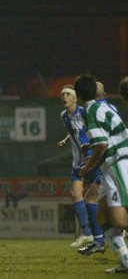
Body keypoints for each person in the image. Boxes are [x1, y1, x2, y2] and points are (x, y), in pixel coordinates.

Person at [75, 74, 128, 274]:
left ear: (78, 95)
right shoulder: (102, 107)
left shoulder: (90, 111)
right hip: (113, 165)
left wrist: (87, 167)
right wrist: (92, 146)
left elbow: (103, 144)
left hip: (119, 164)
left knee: (119, 220)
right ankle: (125, 261)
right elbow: (106, 138)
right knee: (102, 216)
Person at [57, 85, 104, 251]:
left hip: (90, 159)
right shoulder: (64, 115)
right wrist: (65, 140)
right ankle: (86, 234)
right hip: (78, 161)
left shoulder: (85, 112)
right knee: (75, 194)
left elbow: (89, 130)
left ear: (75, 98)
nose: (64, 96)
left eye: (68, 94)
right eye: (62, 94)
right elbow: (74, 131)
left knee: (95, 197)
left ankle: (108, 229)